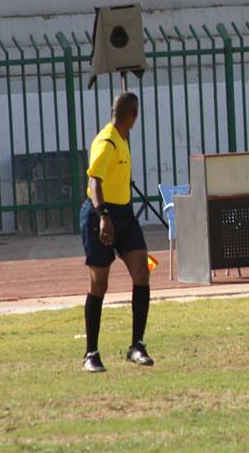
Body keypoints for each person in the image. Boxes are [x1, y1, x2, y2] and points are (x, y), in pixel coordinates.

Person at [80, 92, 154, 372]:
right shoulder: (107, 140)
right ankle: (91, 354)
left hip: (124, 215)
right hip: (101, 215)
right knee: (99, 284)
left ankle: (137, 345)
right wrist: (103, 217)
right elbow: (94, 180)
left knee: (142, 272)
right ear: (133, 116)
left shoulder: (123, 138)